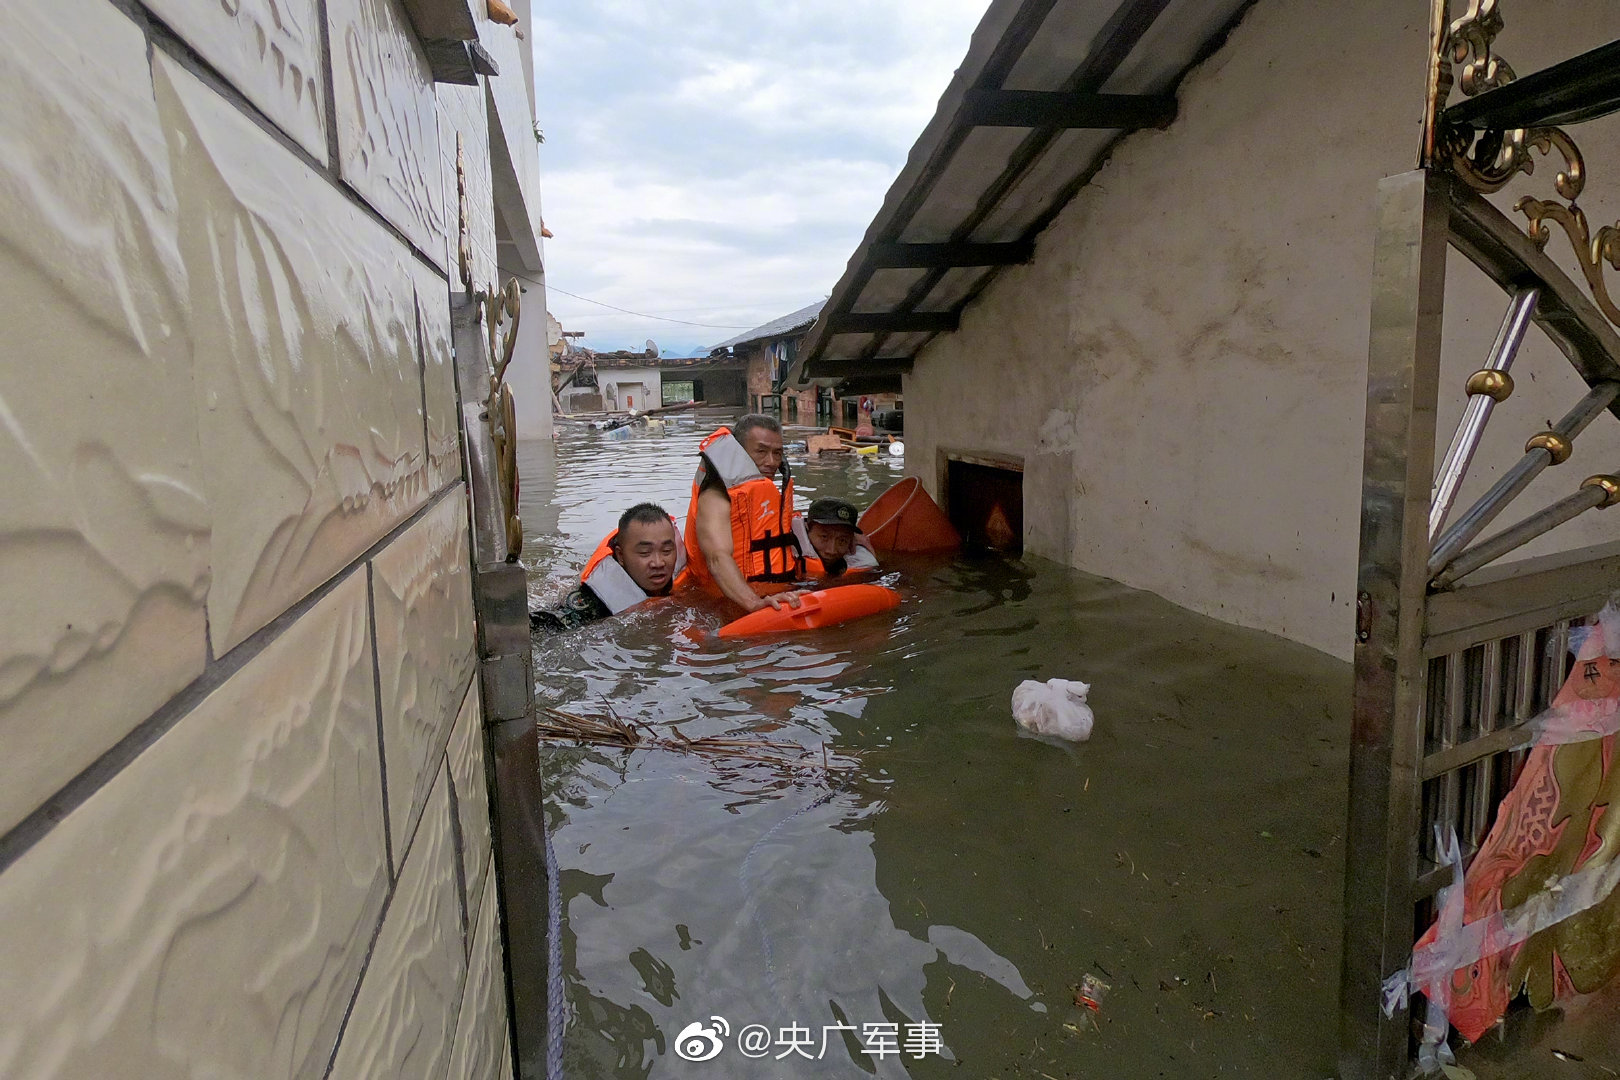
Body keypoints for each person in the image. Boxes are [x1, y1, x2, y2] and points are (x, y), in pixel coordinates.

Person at [684, 413, 809, 613]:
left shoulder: (761, 492)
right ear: (738, 451)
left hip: (776, 592)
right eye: (761, 451)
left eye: (777, 453)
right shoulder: (715, 494)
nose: (771, 462)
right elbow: (717, 557)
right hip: (723, 605)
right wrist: (754, 603)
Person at [531, 503, 685, 632]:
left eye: (666, 551)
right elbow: (542, 625)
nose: (658, 563)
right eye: (645, 553)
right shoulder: (595, 603)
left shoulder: (685, 570)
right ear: (621, 556)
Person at [792, 497, 879, 578]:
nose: (831, 550)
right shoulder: (786, 549)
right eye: (824, 537)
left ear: (851, 540)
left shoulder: (861, 562)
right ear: (807, 528)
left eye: (842, 540)